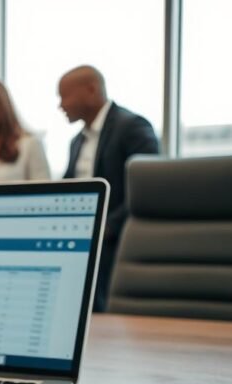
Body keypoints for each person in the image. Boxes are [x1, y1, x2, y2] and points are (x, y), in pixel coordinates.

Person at [59, 65, 160, 312]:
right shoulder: (76, 141)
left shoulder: (132, 127)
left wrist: (106, 227)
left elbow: (148, 191)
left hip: (114, 241)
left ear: (91, 90)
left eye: (64, 96)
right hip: (81, 240)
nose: (61, 105)